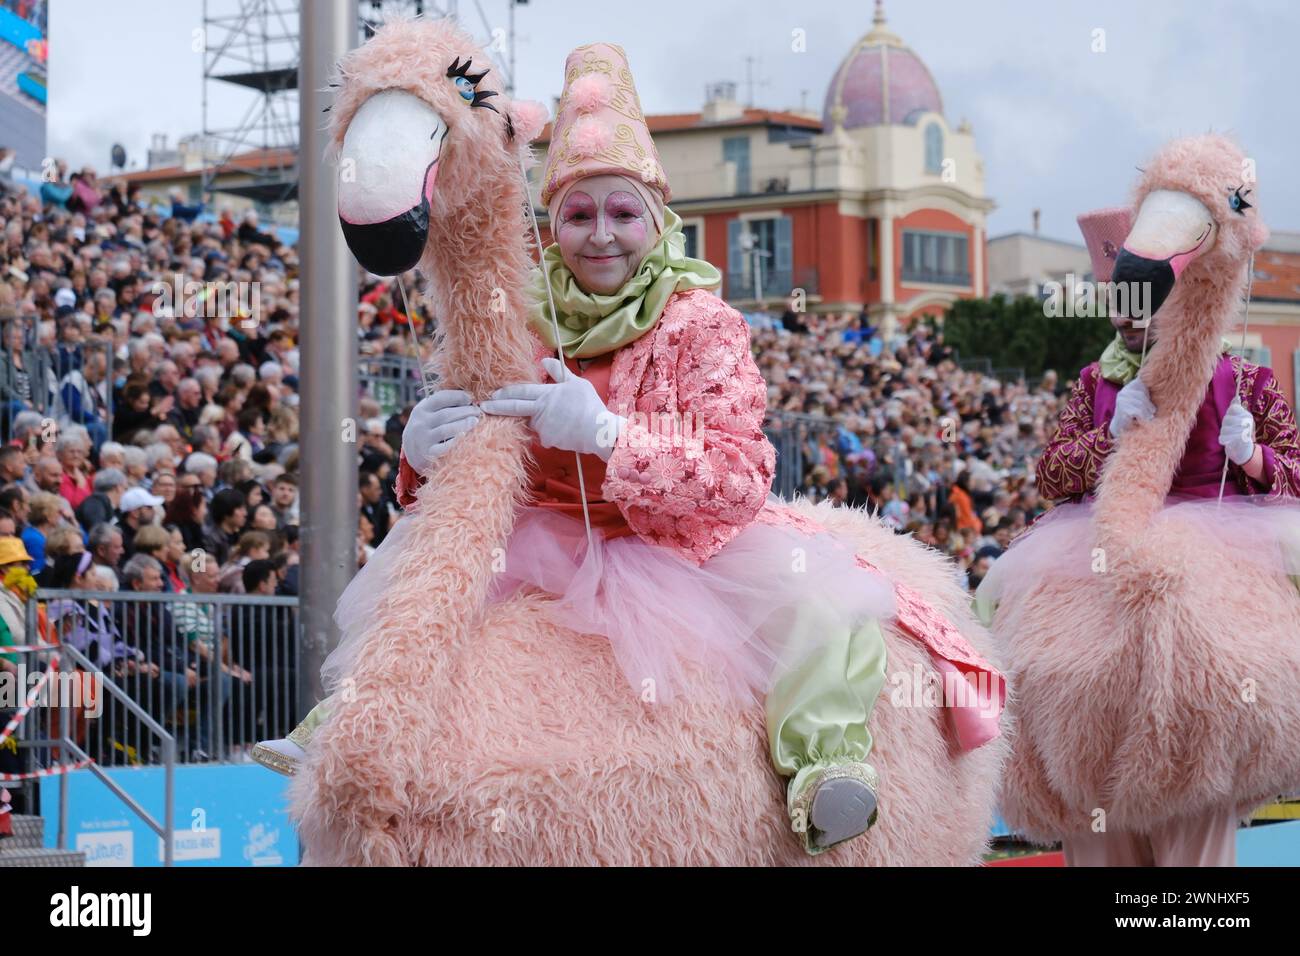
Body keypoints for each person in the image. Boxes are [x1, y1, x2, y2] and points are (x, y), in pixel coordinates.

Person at [254, 42, 1002, 855]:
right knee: (426, 582)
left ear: (656, 221)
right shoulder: (522, 315)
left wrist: (612, 437)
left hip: (681, 550)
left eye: (621, 213)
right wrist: (421, 451)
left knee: (834, 609)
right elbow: (479, 465)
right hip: (541, 541)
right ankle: (348, 719)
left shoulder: (702, 323)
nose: (600, 235)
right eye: (578, 214)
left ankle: (826, 765)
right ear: (554, 225)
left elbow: (740, 475)